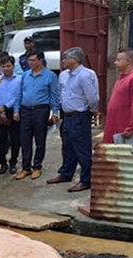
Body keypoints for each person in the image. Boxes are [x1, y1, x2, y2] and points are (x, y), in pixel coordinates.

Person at [47, 47, 99, 192]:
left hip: (80, 115)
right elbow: (60, 94)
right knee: (67, 146)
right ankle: (66, 173)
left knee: (82, 148)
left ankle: (86, 179)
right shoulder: (63, 75)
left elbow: (93, 97)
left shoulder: (86, 75)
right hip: (67, 115)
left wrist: (92, 111)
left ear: (75, 60)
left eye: (66, 58)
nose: (63, 61)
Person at [14, 51, 60, 180]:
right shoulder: (25, 75)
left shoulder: (50, 76)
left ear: (40, 60)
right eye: (29, 60)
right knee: (25, 139)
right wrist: (16, 110)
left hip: (41, 110)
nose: (30, 63)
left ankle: (37, 166)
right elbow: (19, 94)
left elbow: (54, 95)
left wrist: (55, 112)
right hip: (25, 110)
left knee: (40, 139)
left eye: (33, 60)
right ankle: (26, 167)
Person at [103, 49, 133, 144]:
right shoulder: (122, 77)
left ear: (128, 61)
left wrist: (131, 127)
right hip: (114, 126)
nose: (115, 63)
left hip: (125, 128)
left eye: (118, 60)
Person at [0, 55, 22, 175]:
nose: (6, 68)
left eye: (8, 66)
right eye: (3, 66)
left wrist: (6, 107)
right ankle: (3, 163)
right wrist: (0, 109)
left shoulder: (19, 79)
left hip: (14, 111)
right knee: (2, 139)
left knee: (15, 139)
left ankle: (13, 163)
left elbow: (18, 96)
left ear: (13, 66)